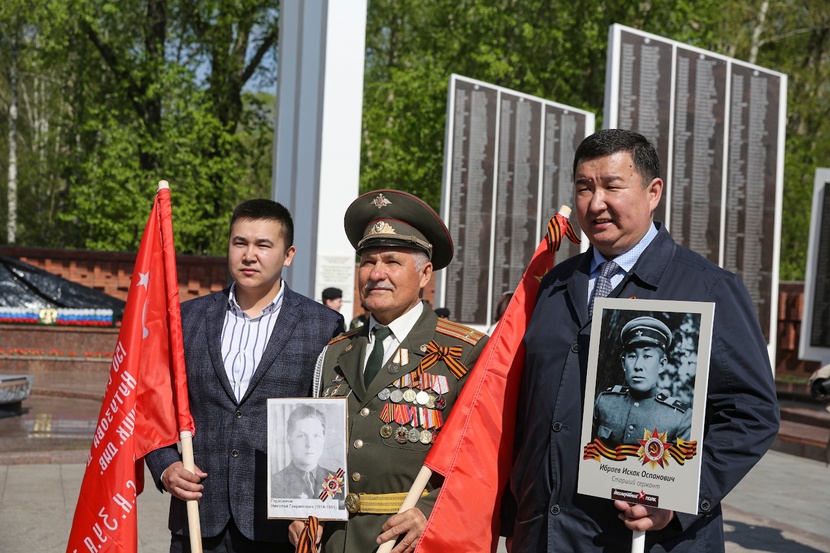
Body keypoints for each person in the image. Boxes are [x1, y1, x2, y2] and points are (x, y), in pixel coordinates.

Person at [503, 129, 779, 552]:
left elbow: (752, 414)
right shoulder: (554, 285)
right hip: (544, 535)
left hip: (646, 539)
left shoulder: (708, 289)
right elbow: (527, 410)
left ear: (653, 192)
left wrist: (680, 500)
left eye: (612, 186)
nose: (596, 203)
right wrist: (514, 514)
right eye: (584, 187)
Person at [291, 190, 488, 553]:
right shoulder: (335, 352)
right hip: (335, 542)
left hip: (409, 542)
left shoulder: (466, 352)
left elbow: (484, 462)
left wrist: (429, 513)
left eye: (392, 261)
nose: (376, 274)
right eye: (368, 261)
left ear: (425, 273)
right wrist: (301, 507)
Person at [145, 199, 341, 553]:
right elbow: (155, 403)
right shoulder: (186, 319)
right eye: (240, 243)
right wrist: (165, 465)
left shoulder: (322, 325)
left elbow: (332, 419)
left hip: (280, 525)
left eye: (263, 245)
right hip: (199, 516)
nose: (249, 255)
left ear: (288, 255)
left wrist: (316, 509)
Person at [592, 316, 692, 448]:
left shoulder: (679, 418)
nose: (638, 366)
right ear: (623, 363)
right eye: (632, 356)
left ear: (662, 364)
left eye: (647, 356)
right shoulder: (605, 402)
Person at [272, 405, 335, 500]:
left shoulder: (338, 480)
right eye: (301, 436)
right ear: (289, 440)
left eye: (316, 436)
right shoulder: (274, 483)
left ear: (323, 439)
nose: (309, 444)